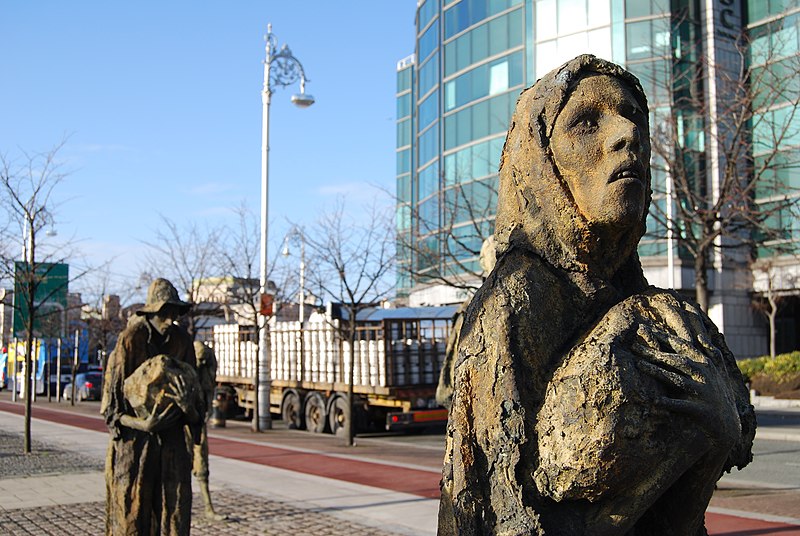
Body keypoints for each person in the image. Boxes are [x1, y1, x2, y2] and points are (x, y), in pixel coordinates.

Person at [438, 55, 755, 535]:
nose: (625, 133)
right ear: (541, 162)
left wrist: (711, 439)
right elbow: (503, 515)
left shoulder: (655, 310)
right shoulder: (518, 300)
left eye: (632, 116)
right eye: (586, 123)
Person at [101, 278, 199, 536]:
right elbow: (111, 411)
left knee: (175, 519)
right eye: (164, 314)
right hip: (135, 447)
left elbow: (198, 412)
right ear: (151, 313)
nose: (170, 320)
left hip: (173, 447)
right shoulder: (130, 340)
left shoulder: (183, 342)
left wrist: (189, 408)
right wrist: (143, 424)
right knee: (132, 519)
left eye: (174, 314)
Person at [191, 341, 226, 521]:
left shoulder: (206, 369)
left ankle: (208, 507)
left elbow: (209, 388)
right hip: (181, 422)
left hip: (198, 421)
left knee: (202, 463)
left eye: (203, 361)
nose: (200, 364)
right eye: (198, 360)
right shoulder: (187, 369)